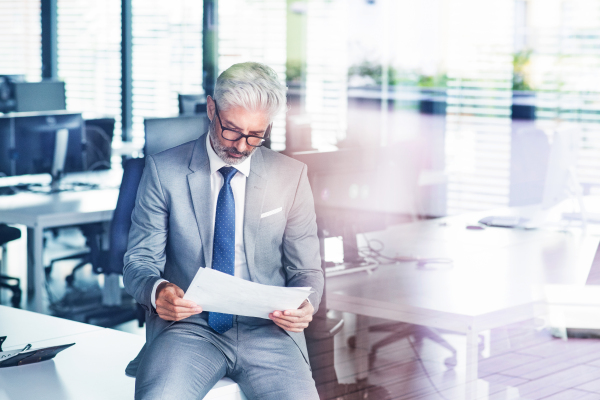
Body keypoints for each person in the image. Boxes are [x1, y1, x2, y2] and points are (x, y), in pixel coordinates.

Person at [122, 61, 324, 400]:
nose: (242, 146)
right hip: (190, 327)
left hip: (268, 329)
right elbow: (139, 261)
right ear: (211, 108)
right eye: (231, 130)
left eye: (256, 135)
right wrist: (158, 291)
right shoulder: (163, 171)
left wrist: (306, 305)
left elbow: (307, 269)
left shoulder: (291, 177)